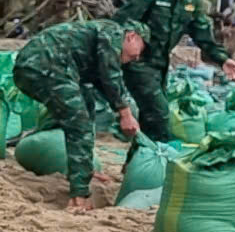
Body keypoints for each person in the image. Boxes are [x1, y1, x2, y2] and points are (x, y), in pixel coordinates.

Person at [11, 19, 145, 212]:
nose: (137, 58)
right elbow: (110, 75)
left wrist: (123, 110)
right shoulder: (114, 33)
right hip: (44, 65)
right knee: (78, 122)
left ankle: (83, 169)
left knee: (85, 104)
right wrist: (124, 113)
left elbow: (104, 83)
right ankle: (79, 196)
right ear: (132, 37)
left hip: (47, 66)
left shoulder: (102, 41)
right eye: (139, 50)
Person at [113, 0, 235, 140]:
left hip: (161, 67)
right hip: (139, 64)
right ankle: (158, 161)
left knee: (150, 118)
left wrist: (223, 59)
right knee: (160, 115)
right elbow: (121, 23)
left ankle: (140, 166)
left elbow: (202, 35)